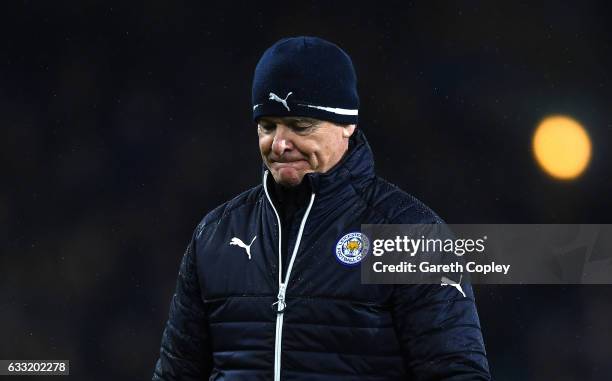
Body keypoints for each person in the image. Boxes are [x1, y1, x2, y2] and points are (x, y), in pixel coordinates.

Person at [153, 36, 490, 381]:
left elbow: (456, 373)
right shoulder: (217, 234)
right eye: (267, 127)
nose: (280, 144)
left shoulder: (410, 235)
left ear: (348, 124)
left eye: (301, 126)